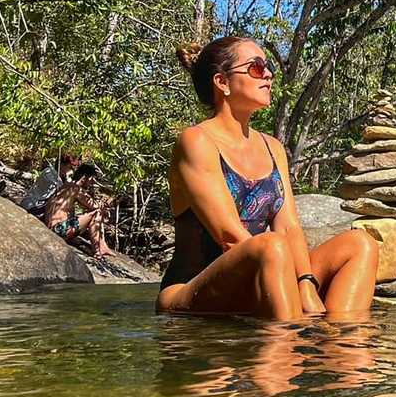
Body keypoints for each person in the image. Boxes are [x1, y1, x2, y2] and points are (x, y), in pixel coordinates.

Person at [157, 36, 378, 320]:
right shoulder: (196, 141)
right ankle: (287, 352)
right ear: (222, 82)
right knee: (270, 245)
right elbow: (229, 237)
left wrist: (306, 284)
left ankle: (341, 349)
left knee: (360, 244)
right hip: (194, 290)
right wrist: (294, 291)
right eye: (256, 67)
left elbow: (289, 228)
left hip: (264, 271)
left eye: (267, 66)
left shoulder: (273, 147)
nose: (269, 74)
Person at [42, 163, 113, 257]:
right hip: (59, 230)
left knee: (90, 214)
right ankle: (98, 249)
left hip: (55, 227)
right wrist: (108, 201)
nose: (92, 183)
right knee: (97, 212)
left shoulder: (66, 186)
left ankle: (102, 245)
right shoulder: (75, 188)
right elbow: (94, 206)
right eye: (91, 179)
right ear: (85, 177)